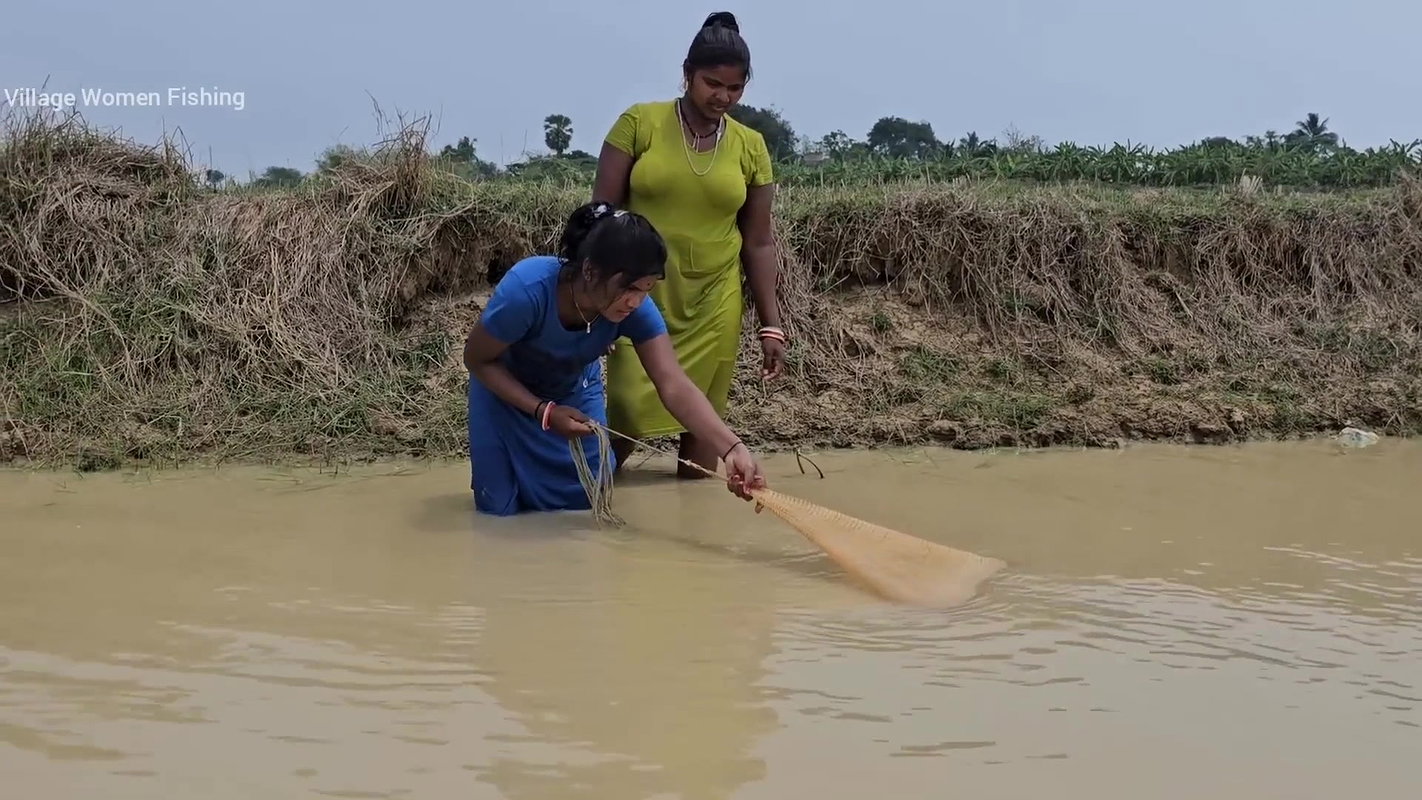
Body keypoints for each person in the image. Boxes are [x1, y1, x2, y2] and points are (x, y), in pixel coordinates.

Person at [462, 200, 769, 517]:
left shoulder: (635, 310)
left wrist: (732, 448)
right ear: (590, 270)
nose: (636, 301)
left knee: (589, 496)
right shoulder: (527, 290)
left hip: (572, 389)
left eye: (647, 289)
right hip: (504, 393)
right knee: (499, 509)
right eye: (630, 288)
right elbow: (476, 359)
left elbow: (673, 384)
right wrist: (544, 411)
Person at [592, 10, 787, 481]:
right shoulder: (640, 123)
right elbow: (599, 215)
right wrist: (596, 298)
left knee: (700, 447)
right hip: (640, 292)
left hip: (713, 299)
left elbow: (758, 241)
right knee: (624, 412)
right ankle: (587, 500)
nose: (723, 97)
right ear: (687, 74)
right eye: (712, 83)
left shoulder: (751, 146)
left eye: (735, 89)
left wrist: (771, 325)